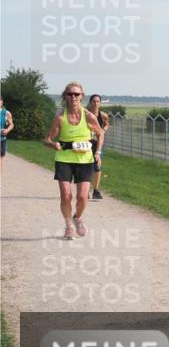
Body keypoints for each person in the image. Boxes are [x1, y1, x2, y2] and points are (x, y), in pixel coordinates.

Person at [43, 82, 105, 240]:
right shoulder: (60, 117)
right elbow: (47, 139)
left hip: (85, 159)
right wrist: (52, 144)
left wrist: (97, 152)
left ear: (82, 96)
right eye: (70, 94)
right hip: (64, 158)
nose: (73, 97)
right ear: (65, 96)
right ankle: (68, 226)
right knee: (66, 195)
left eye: (76, 94)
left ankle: (77, 217)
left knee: (83, 197)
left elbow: (100, 133)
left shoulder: (89, 116)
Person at [86, 94, 110, 200]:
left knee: (97, 166)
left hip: (97, 143)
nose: (96, 103)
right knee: (86, 167)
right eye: (94, 101)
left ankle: (96, 190)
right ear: (90, 102)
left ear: (100, 103)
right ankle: (85, 190)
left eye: (98, 101)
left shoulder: (103, 115)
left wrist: (103, 130)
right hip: (86, 143)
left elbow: (106, 124)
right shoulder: (85, 114)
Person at [0, 96, 13, 175]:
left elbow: (11, 124)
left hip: (2, 139)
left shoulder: (6, 113)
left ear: (2, 102)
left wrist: (7, 130)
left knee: (0, 159)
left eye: (0, 100)